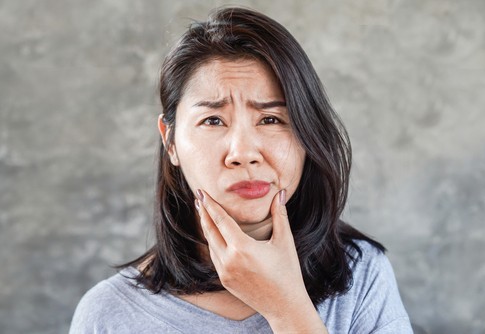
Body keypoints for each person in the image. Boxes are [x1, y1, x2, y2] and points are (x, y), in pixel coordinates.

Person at [70, 6, 412, 333]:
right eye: (213, 120)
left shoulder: (361, 274)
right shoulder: (108, 315)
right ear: (170, 140)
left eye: (271, 119)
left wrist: (287, 308)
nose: (244, 154)